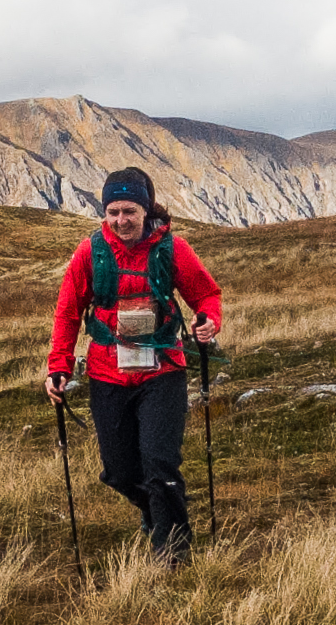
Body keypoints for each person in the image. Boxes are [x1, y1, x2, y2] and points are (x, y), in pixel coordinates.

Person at [44, 165, 224, 561]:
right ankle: (154, 512)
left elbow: (206, 296)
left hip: (163, 370)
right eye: (114, 212)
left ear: (146, 211)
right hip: (107, 374)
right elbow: (68, 313)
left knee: (160, 461)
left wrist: (208, 322)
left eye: (129, 211)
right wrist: (59, 366)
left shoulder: (173, 249)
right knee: (120, 471)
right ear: (104, 213)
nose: (121, 220)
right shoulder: (90, 252)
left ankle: (173, 551)